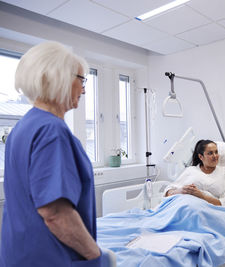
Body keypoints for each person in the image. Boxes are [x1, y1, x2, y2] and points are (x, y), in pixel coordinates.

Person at [0, 41, 110, 266]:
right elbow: (56, 214)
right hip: (49, 257)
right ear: (58, 77)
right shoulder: (52, 130)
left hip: (19, 253)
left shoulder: (22, 128)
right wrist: (96, 256)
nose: (84, 89)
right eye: (82, 80)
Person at [164, 139, 225, 227]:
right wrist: (181, 191)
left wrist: (202, 196)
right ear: (201, 157)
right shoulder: (190, 171)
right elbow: (168, 193)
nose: (215, 156)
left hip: (207, 212)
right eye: (210, 153)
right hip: (184, 207)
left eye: (216, 152)